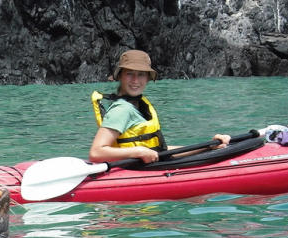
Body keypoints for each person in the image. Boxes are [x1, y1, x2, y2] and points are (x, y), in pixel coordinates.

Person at [89, 49, 230, 164]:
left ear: (148, 78)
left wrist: (207, 147)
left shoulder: (138, 106)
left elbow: (161, 151)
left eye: (141, 75)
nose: (135, 80)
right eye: (129, 74)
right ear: (120, 76)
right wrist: (139, 152)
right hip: (133, 173)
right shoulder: (121, 110)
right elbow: (96, 153)